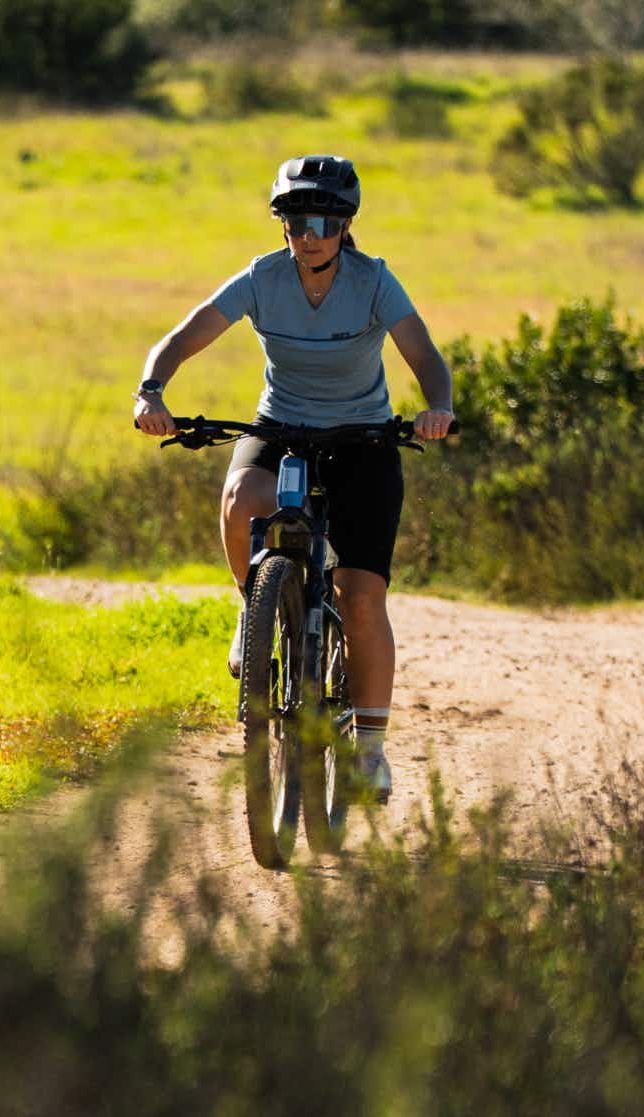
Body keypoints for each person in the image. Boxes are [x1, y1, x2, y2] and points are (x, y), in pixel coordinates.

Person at [134, 154, 454, 803]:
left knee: (361, 596)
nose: (310, 235)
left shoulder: (373, 280)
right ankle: (255, 604)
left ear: (345, 227)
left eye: (324, 223)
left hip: (363, 439)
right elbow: (183, 336)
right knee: (239, 498)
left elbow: (424, 355)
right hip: (281, 426)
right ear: (281, 224)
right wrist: (151, 390)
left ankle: (370, 749)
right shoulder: (263, 277)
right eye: (296, 221)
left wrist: (438, 408)